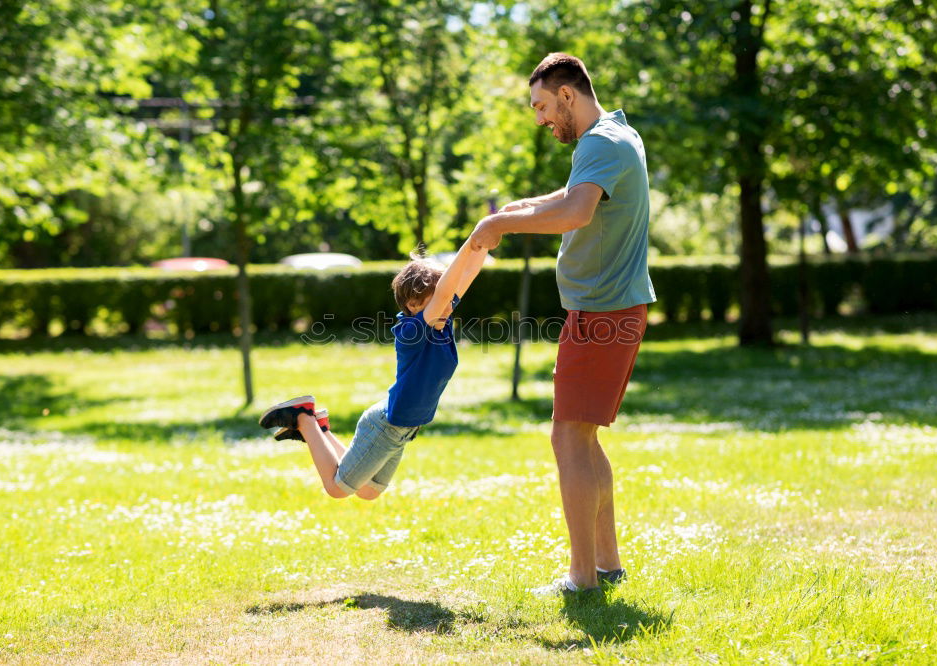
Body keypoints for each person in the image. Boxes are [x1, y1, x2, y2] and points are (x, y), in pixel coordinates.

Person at [470, 53, 656, 594]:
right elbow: (575, 196)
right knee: (584, 438)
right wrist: (525, 205)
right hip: (613, 309)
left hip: (601, 313)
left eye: (543, 106)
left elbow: (577, 214)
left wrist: (501, 223)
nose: (540, 119)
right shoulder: (619, 133)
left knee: (568, 440)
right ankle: (606, 564)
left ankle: (582, 578)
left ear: (568, 95)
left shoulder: (599, 142)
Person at [259, 239, 488, 500]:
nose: (451, 305)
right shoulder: (412, 331)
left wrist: (487, 235)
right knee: (337, 489)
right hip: (387, 426)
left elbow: (468, 273)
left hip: (402, 428)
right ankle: (303, 418)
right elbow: (447, 289)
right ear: (413, 305)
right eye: (443, 300)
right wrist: (469, 244)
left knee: (368, 491)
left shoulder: (440, 321)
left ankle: (320, 430)